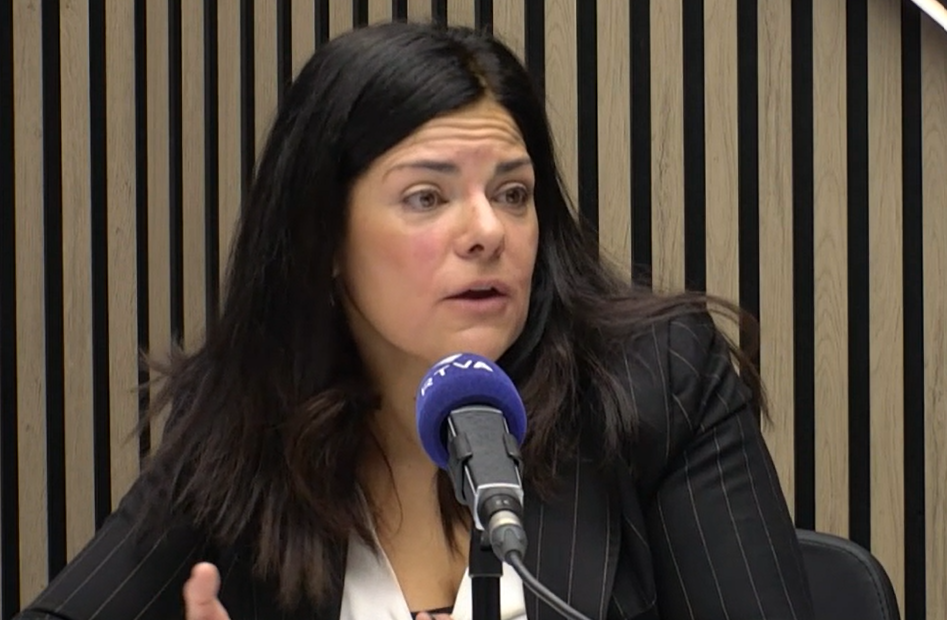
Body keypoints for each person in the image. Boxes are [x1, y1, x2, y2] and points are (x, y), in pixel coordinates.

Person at [15, 21, 813, 620]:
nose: (487, 231)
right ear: (323, 238)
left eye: (512, 193)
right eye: (426, 197)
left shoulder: (654, 384)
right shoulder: (244, 424)